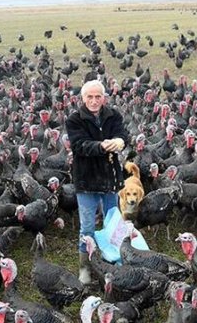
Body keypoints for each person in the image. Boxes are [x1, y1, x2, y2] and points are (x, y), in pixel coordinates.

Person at [65, 79, 130, 284]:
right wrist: (102, 146)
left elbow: (122, 133)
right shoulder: (75, 120)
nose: (94, 101)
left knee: (113, 223)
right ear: (83, 98)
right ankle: (85, 266)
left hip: (110, 178)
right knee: (87, 227)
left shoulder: (113, 115)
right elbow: (79, 145)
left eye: (98, 96)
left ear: (104, 98)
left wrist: (120, 141)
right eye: (89, 97)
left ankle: (112, 259)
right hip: (86, 180)